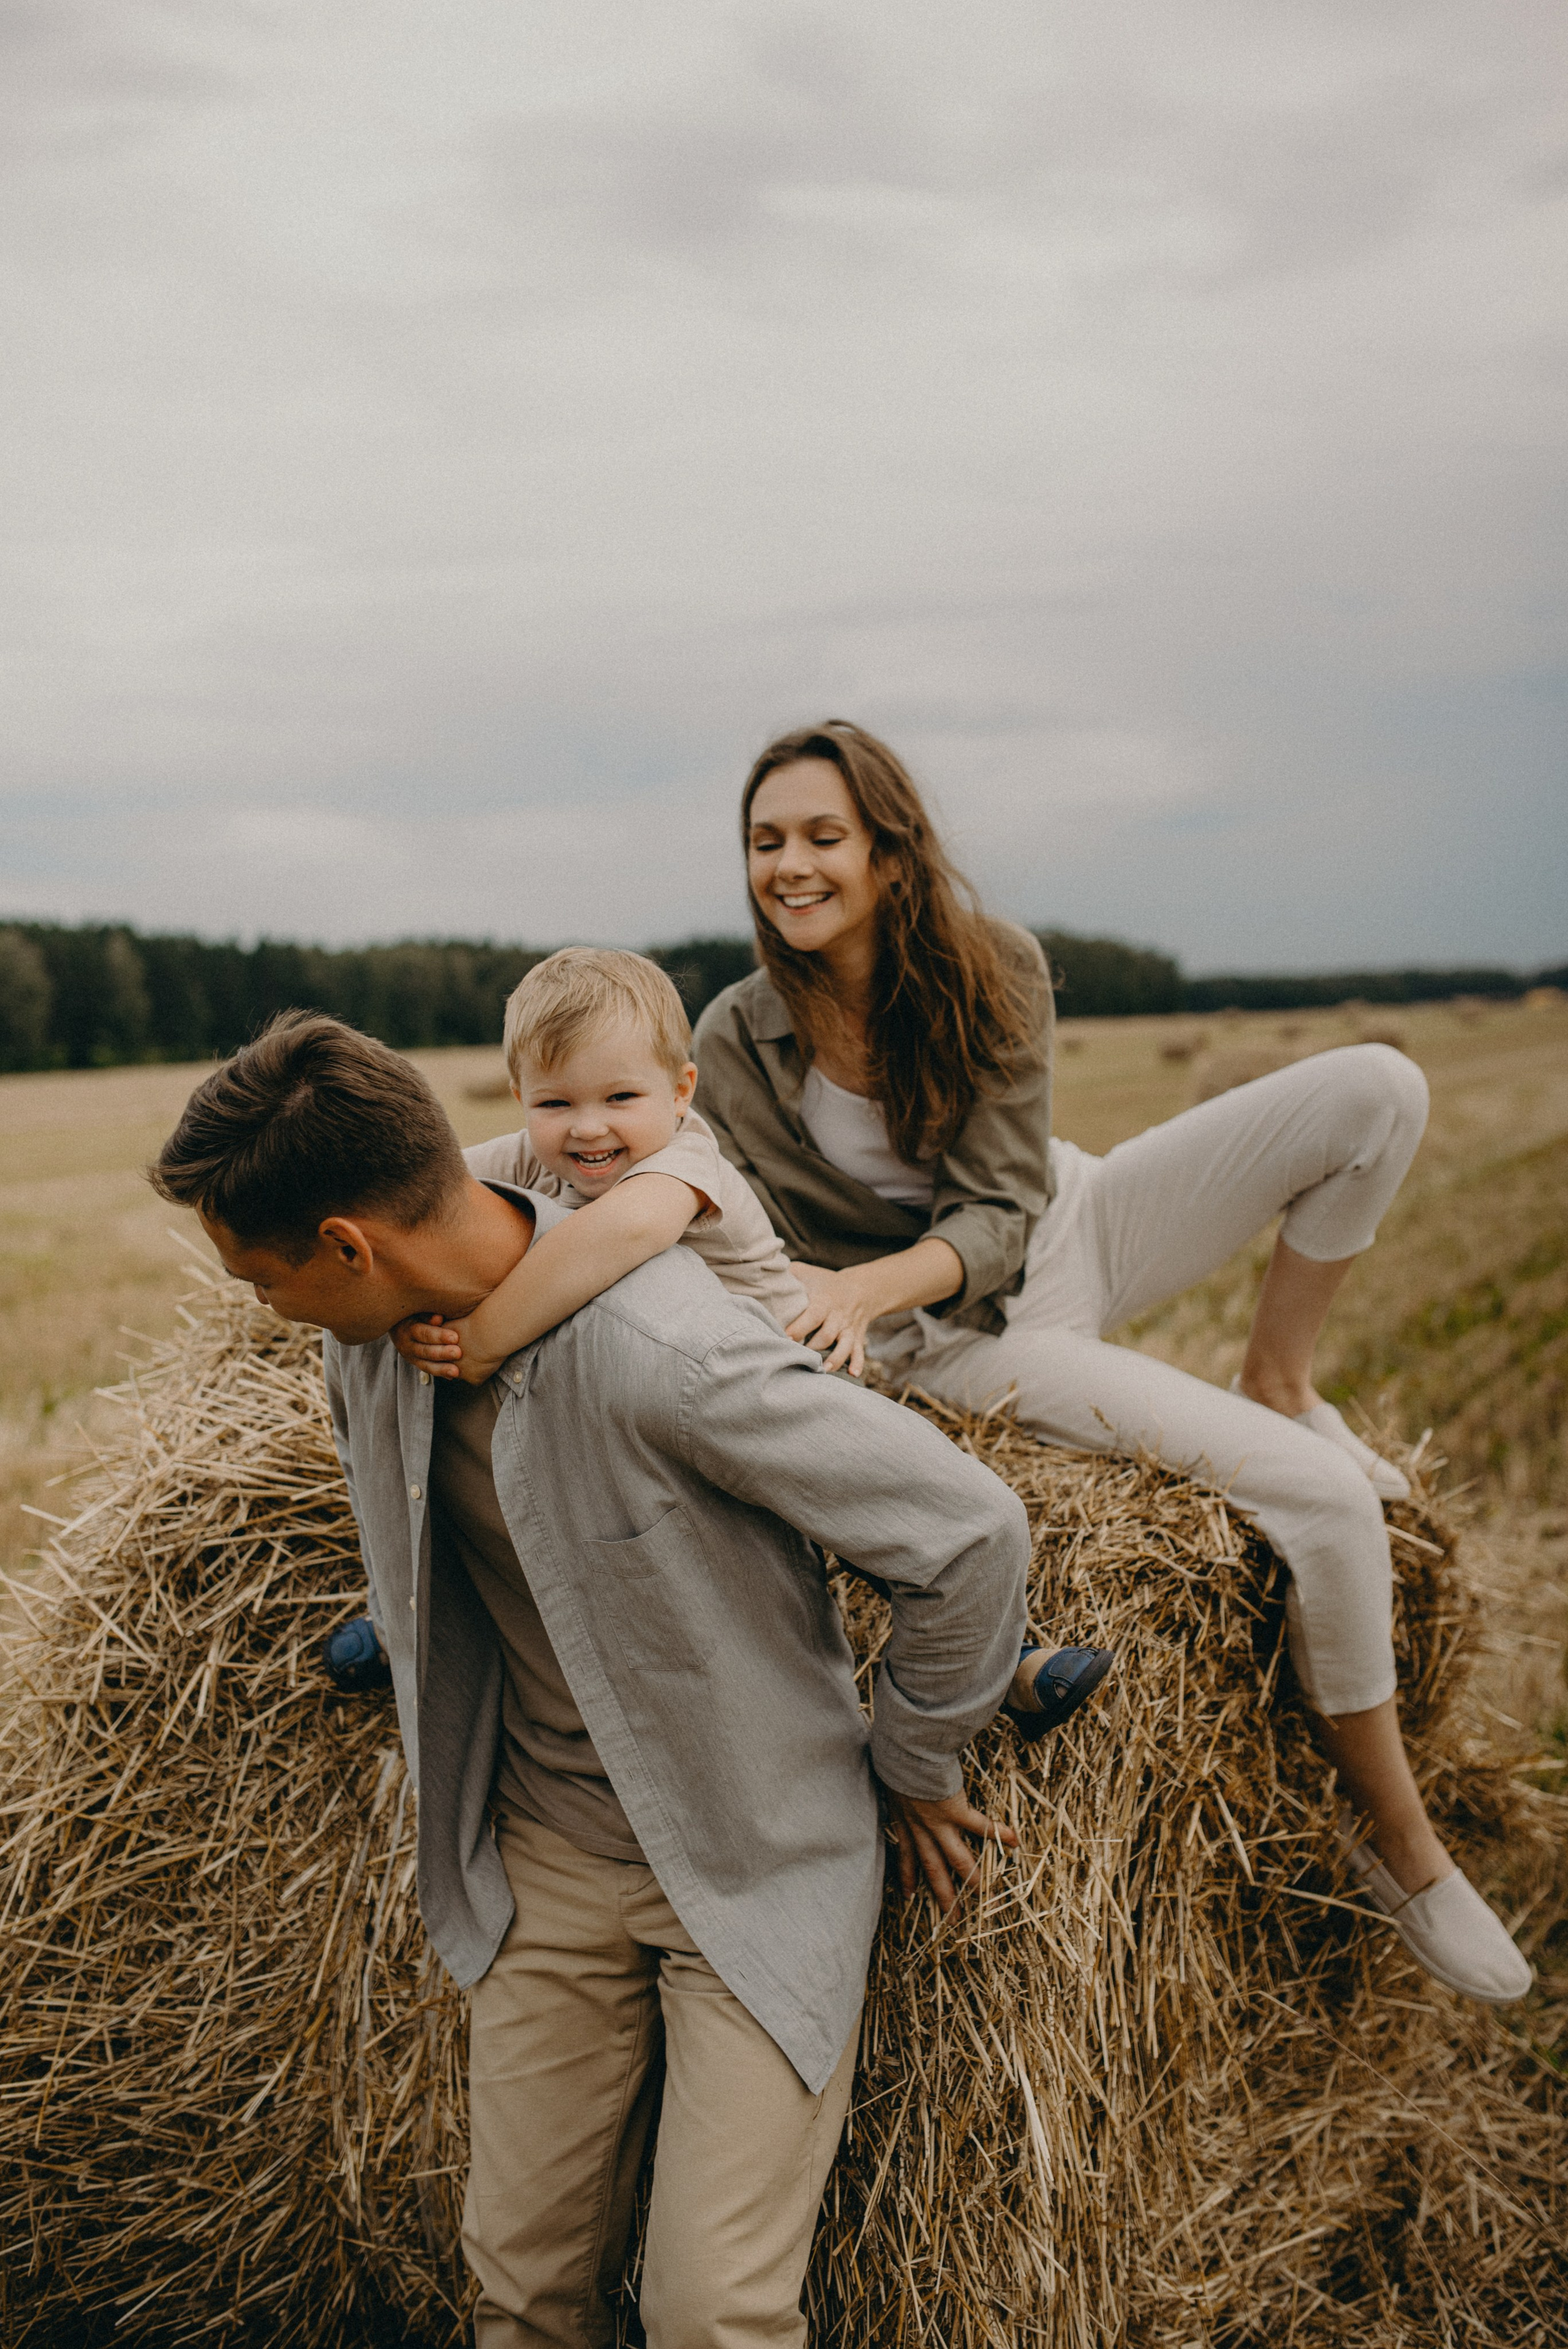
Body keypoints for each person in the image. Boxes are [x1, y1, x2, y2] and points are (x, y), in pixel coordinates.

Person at [150, 1009, 1031, 2348]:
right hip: (546, 1852)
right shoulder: (366, 1344)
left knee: (706, 2318)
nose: (259, 1306)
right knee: (518, 2292)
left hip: (747, 1855)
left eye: (259, 1277)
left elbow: (969, 1532)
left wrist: (915, 1763)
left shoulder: (663, 1357)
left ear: (347, 1246)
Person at [691, 718, 1532, 2008]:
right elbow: (696, 1200)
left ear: (889, 855)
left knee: (1376, 1087)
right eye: (766, 841)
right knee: (1323, 1502)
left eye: (820, 836)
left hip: (1059, 1224)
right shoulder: (738, 1034)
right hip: (968, 1341)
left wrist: (856, 1280)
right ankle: (1397, 1843)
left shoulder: (993, 970)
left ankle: (1279, 1375)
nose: (788, 865)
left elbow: (997, 1208)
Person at [390, 945, 1112, 1738]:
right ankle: (400, 1620)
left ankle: (1008, 1658)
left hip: (791, 1385)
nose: (588, 1127)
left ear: (681, 1092)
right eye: (554, 1103)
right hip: (682, 1420)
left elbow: (631, 1228)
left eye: (621, 1096)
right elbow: (440, 1191)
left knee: (880, 1528)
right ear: (522, 1096)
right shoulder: (543, 1148)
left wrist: (483, 1339)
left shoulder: (685, 1163)